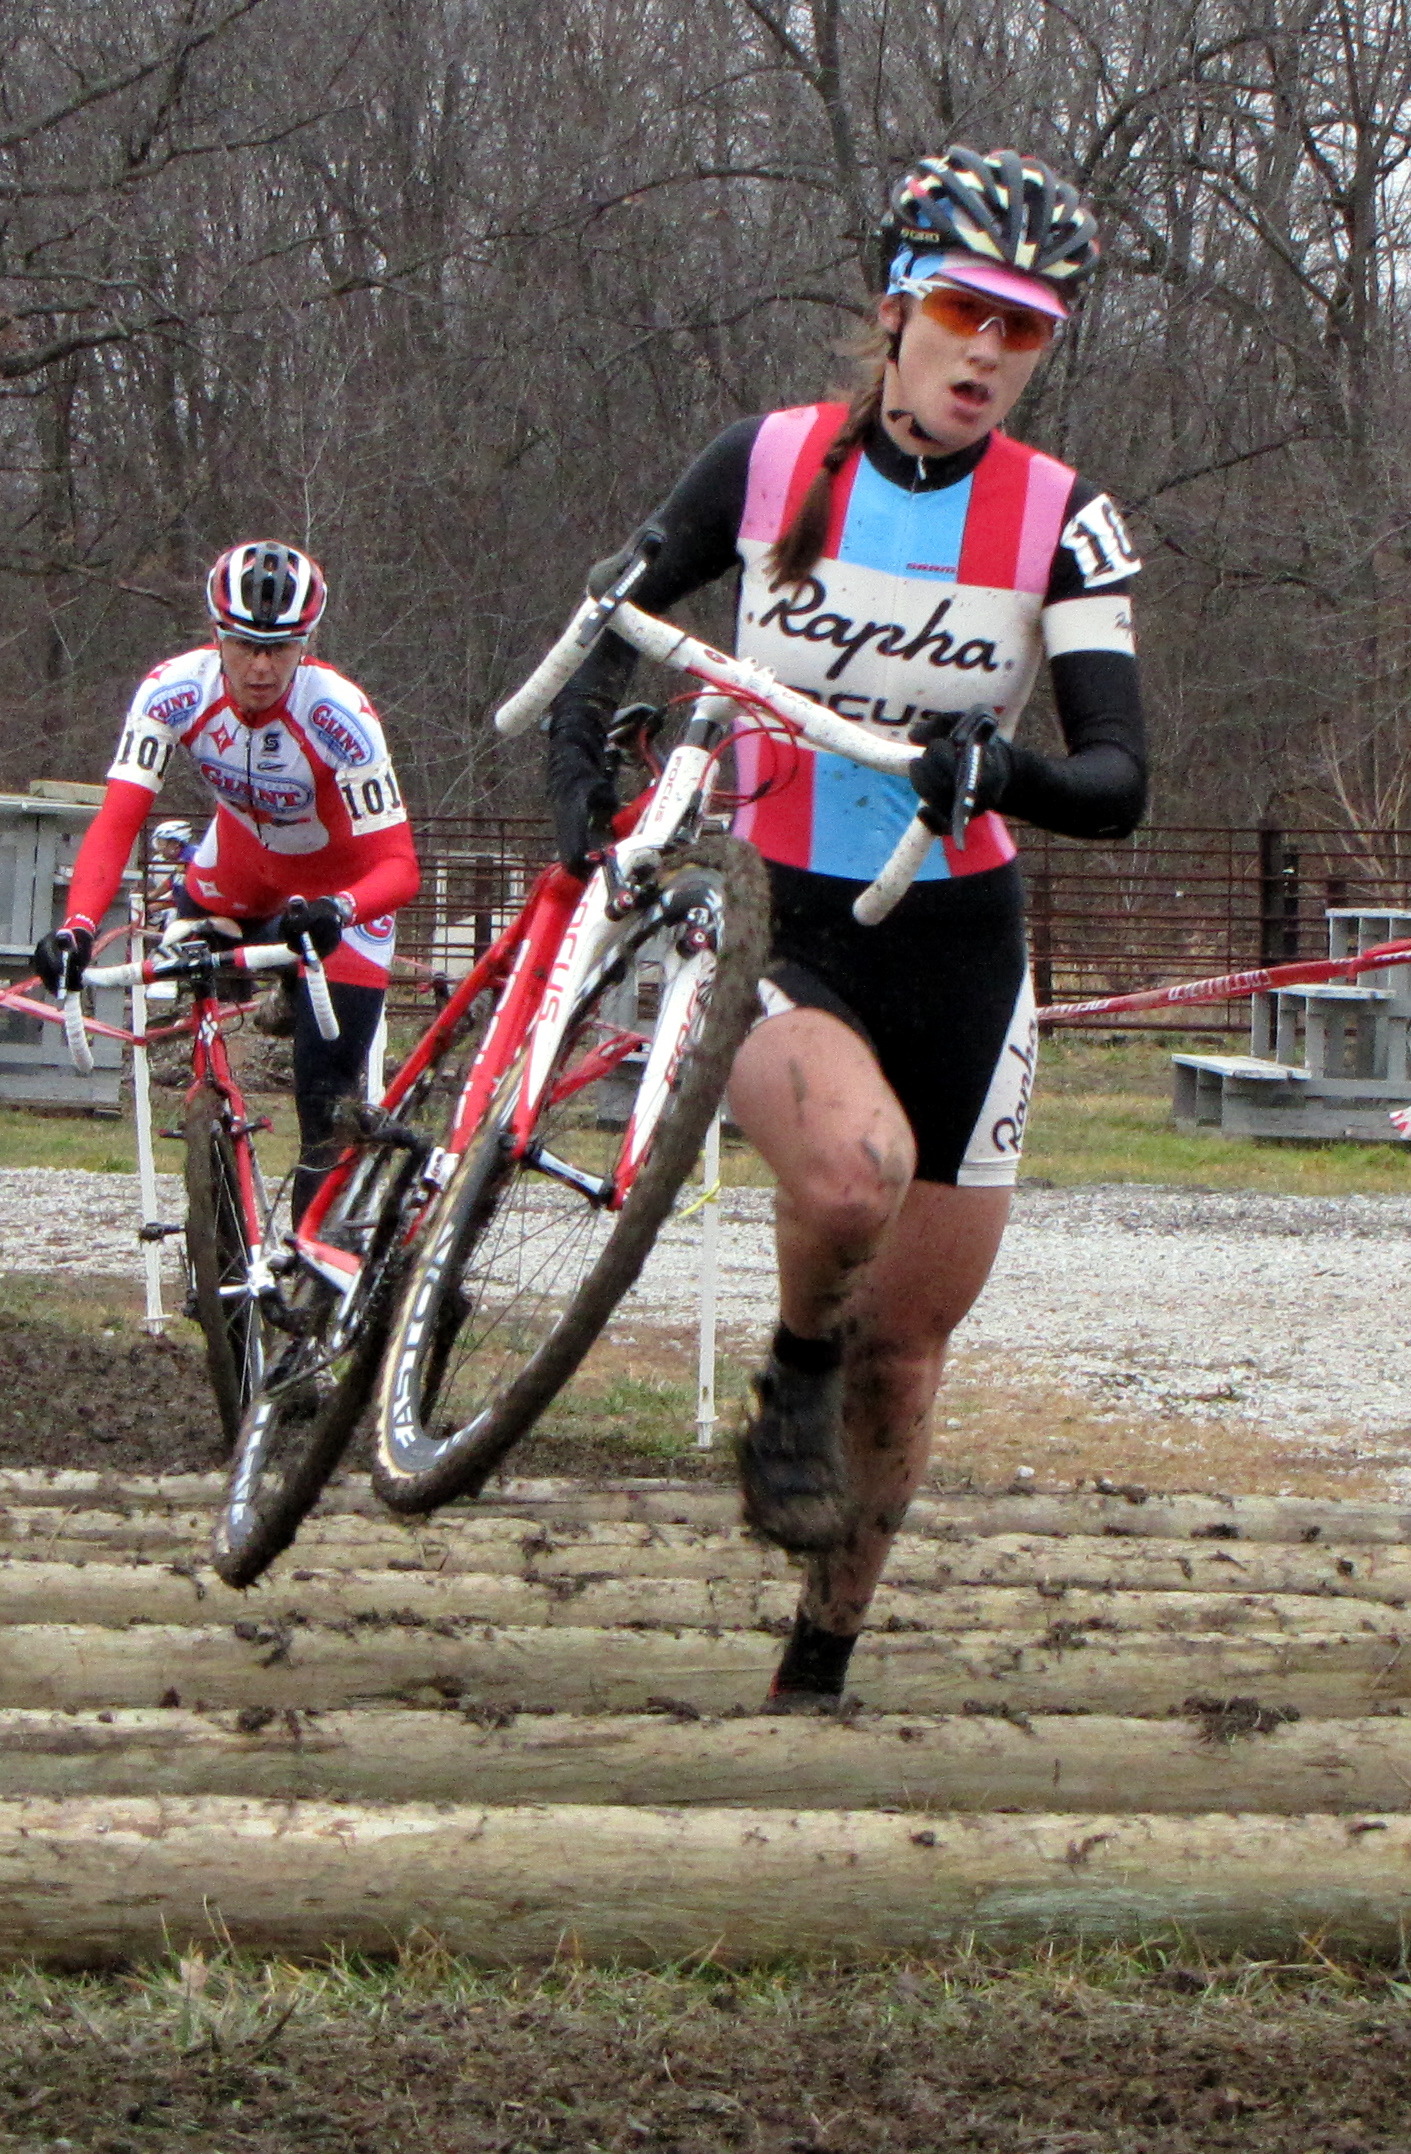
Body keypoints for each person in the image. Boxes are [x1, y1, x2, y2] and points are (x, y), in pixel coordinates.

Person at [546, 147, 1146, 1710]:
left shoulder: (1064, 519)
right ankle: (788, 1369)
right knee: (845, 1173)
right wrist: (575, 775)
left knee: (908, 1347)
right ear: (892, 306)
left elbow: (1114, 778)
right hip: (773, 905)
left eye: (1022, 331)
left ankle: (818, 1655)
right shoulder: (764, 463)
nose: (984, 355)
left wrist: (997, 763)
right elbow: (611, 614)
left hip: (957, 936)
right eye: (959, 310)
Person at [35, 540, 420, 1220]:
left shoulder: (340, 715)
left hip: (342, 894)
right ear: (216, 636)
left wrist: (341, 906)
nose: (262, 666)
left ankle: (312, 1280)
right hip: (236, 871)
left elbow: (399, 867)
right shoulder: (173, 691)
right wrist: (77, 928)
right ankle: (216, 1132)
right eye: (244, 645)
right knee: (189, 960)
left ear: (307, 642)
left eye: (283, 646)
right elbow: (117, 822)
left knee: (325, 1105)